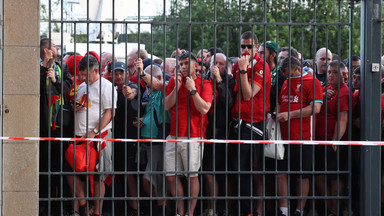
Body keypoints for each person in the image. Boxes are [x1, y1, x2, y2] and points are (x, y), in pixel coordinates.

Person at [66, 54, 117, 216]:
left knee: (99, 177)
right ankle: (81, 207)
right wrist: (75, 107)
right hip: (80, 137)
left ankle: (97, 212)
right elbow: (81, 104)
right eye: (79, 74)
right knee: (71, 172)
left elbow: (110, 112)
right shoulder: (82, 86)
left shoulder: (106, 86)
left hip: (98, 137)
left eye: (84, 74)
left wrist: (94, 132)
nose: (81, 77)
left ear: (95, 71)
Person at [164, 52, 213, 216]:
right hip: (173, 136)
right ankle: (180, 212)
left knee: (191, 176)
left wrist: (192, 90)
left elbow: (204, 108)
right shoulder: (173, 81)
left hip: (193, 136)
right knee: (171, 176)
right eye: (181, 64)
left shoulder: (204, 83)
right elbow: (166, 105)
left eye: (186, 64)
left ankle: (190, 213)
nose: (183, 67)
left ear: (196, 66)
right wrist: (177, 88)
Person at [230, 31, 271, 215]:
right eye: (242, 46)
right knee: (237, 171)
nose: (245, 49)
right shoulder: (237, 65)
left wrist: (244, 70)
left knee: (246, 171)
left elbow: (247, 95)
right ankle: (239, 209)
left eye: (249, 46)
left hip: (253, 125)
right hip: (237, 123)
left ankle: (250, 211)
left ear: (256, 47)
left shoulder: (261, 66)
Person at [277, 56, 323, 216]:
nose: (284, 75)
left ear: (297, 68)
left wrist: (290, 115)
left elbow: (315, 108)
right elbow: (281, 102)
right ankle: (284, 210)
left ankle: (299, 210)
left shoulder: (312, 82)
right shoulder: (285, 81)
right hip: (283, 137)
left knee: (302, 175)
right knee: (281, 173)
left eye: (286, 72)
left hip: (303, 138)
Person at [39, 38, 73, 215]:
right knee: (43, 166)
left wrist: (55, 80)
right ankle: (43, 204)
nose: (57, 47)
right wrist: (43, 69)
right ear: (45, 50)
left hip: (59, 124)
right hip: (42, 125)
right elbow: (32, 90)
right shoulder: (36, 66)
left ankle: (59, 205)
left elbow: (67, 87)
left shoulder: (62, 67)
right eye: (53, 45)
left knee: (59, 166)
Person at [203, 53, 236, 216]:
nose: (216, 66)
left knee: (225, 174)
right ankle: (212, 208)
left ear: (226, 66)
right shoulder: (203, 80)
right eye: (214, 62)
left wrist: (219, 81)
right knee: (208, 172)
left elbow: (229, 102)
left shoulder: (229, 81)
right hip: (207, 131)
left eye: (221, 63)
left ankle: (227, 208)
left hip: (225, 132)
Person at [315, 61, 349, 216]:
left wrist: (334, 141)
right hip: (320, 140)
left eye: (335, 72)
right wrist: (321, 95)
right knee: (319, 175)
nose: (331, 75)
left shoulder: (343, 92)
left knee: (334, 178)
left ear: (343, 75)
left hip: (332, 142)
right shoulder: (327, 88)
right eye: (329, 72)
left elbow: (343, 119)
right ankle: (329, 208)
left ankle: (335, 210)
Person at [136, 63, 167, 216]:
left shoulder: (162, 89)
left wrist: (142, 72)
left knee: (152, 180)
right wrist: (142, 120)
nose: (146, 85)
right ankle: (157, 208)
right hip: (147, 143)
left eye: (147, 81)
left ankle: (161, 209)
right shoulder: (151, 92)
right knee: (153, 180)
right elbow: (150, 113)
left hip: (157, 142)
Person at [110, 61, 140, 215]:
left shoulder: (132, 86)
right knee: (115, 173)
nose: (118, 76)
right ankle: (118, 208)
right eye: (115, 73)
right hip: (112, 138)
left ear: (127, 74)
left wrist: (128, 93)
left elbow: (132, 93)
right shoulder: (109, 88)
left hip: (128, 138)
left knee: (129, 174)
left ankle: (134, 208)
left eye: (121, 72)